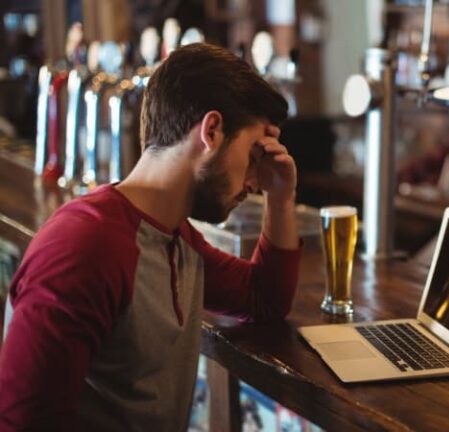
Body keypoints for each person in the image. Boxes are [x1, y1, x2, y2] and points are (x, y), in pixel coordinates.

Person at [0, 43, 301, 431]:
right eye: (254, 155)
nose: (254, 181)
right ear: (211, 131)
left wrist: (281, 196)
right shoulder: (85, 247)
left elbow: (264, 299)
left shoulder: (176, 236)